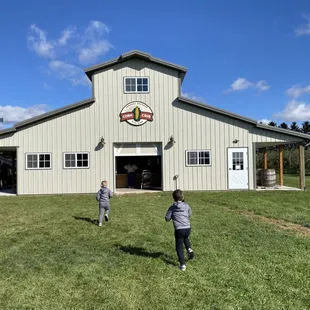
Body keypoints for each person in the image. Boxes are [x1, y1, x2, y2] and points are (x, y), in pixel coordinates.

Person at [165, 189, 194, 271]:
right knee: (185, 237)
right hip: (187, 228)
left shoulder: (172, 207)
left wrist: (170, 217)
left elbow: (167, 218)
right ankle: (189, 249)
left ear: (173, 198)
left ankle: (182, 265)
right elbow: (190, 213)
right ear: (183, 197)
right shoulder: (186, 205)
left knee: (179, 248)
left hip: (179, 229)